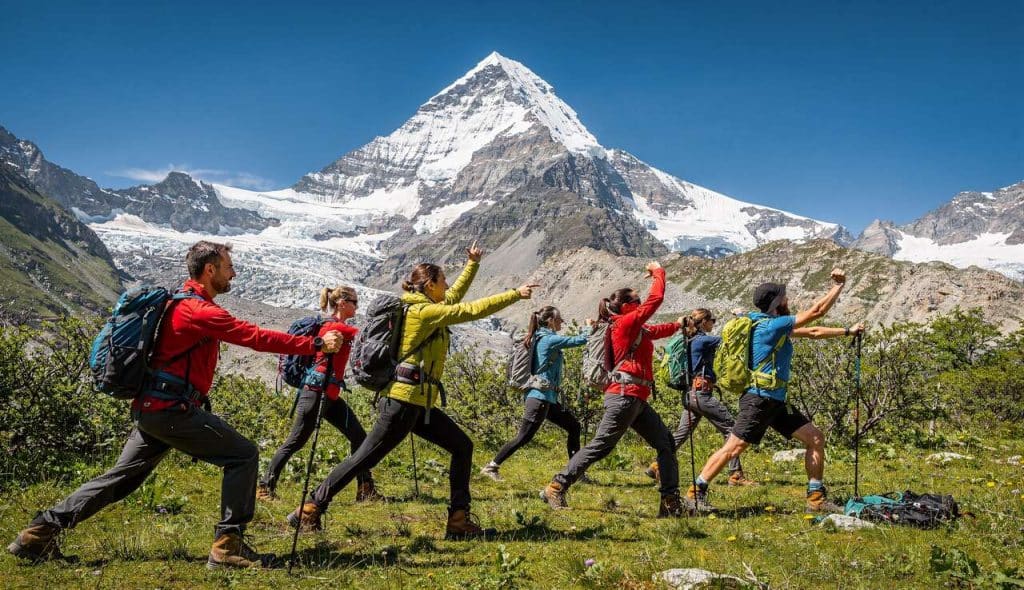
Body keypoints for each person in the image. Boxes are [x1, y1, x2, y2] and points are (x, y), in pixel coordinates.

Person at [7, 241, 343, 568]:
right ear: (209, 269)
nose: (234, 275)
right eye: (229, 268)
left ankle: (39, 532)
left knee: (120, 479)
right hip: (171, 410)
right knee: (243, 455)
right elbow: (252, 336)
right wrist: (315, 343)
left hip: (154, 408)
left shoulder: (179, 303)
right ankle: (228, 544)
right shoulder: (197, 310)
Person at [288, 241, 538, 539]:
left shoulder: (427, 307)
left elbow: (455, 297)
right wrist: (515, 294)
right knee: (364, 458)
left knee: (462, 446)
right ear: (429, 285)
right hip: (402, 403)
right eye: (442, 281)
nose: (446, 286)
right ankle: (310, 508)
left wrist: (472, 264)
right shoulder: (422, 313)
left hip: (417, 404)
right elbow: (469, 309)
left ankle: (458, 521)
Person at [686, 269, 865, 513]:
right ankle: (696, 492)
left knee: (815, 438)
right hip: (759, 399)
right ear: (777, 303)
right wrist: (838, 286)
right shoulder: (771, 326)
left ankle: (816, 498)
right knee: (734, 448)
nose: (788, 300)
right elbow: (816, 313)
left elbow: (813, 332)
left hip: (775, 401)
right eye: (784, 297)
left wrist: (847, 331)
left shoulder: (770, 326)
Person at [540, 261, 687, 517]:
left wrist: (679, 325)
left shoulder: (634, 327)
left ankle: (670, 503)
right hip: (624, 395)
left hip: (634, 397)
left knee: (665, 443)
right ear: (628, 306)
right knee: (602, 445)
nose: (642, 303)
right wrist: (658, 272)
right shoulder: (624, 324)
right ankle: (556, 485)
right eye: (637, 300)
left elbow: (654, 331)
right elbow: (657, 299)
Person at [257, 285, 382, 503]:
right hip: (316, 393)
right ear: (342, 303)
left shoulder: (336, 327)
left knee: (359, 438)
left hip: (329, 394)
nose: (357, 306)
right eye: (354, 302)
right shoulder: (335, 328)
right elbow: (365, 337)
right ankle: (264, 487)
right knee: (295, 441)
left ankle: (365, 488)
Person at [645, 308, 757, 487]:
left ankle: (657, 465)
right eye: (712, 319)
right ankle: (735, 475)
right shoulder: (704, 340)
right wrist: (741, 319)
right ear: (703, 322)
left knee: (681, 434)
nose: (714, 322)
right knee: (731, 428)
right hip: (701, 394)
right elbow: (731, 340)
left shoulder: (688, 341)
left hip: (690, 395)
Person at [480, 306, 589, 482]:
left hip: (547, 398)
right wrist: (588, 326)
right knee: (523, 437)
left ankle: (576, 472)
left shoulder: (540, 338)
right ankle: (491, 466)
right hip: (540, 398)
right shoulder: (549, 339)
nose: (562, 321)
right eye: (559, 318)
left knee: (574, 426)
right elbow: (581, 340)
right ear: (551, 321)